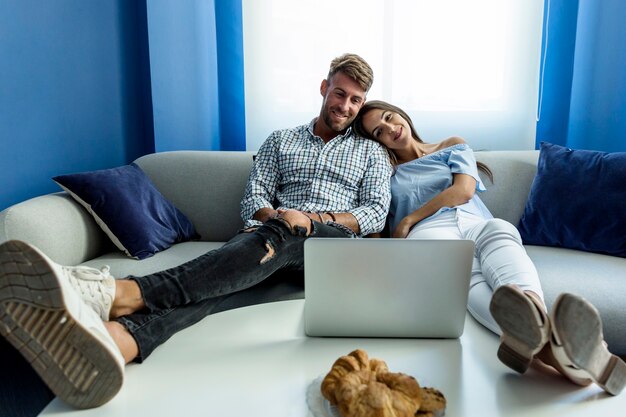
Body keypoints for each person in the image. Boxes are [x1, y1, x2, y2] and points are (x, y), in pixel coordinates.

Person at [0, 53, 393, 409]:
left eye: (355, 100)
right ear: (324, 88)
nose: (345, 106)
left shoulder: (370, 152)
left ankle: (121, 293)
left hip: (329, 249)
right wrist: (278, 217)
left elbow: (374, 212)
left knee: (285, 232)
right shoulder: (280, 140)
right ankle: (117, 341)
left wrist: (312, 220)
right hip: (267, 239)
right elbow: (253, 196)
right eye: (339, 94)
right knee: (228, 281)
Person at [352, 100, 626, 395]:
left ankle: (534, 320)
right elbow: (375, 217)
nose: (391, 129)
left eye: (390, 118)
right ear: (376, 142)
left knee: (501, 229)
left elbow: (464, 190)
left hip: (473, 219)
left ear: (402, 113)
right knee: (468, 276)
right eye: (379, 131)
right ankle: (571, 358)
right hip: (430, 234)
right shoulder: (386, 172)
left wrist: (408, 218)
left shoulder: (452, 145)